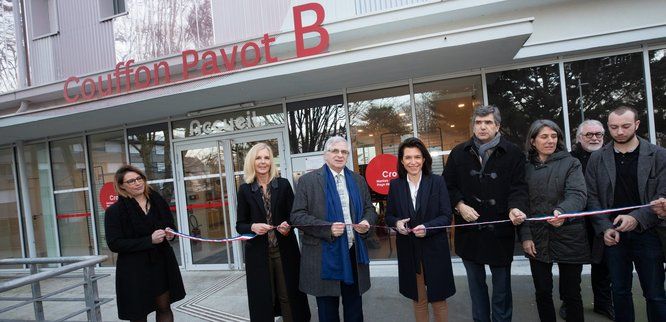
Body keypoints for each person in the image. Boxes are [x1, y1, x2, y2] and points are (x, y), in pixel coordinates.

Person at [443, 105, 529, 322]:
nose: (482, 127)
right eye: (478, 123)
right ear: (473, 125)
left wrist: (515, 207)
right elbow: (448, 186)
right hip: (469, 234)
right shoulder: (458, 152)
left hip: (500, 232)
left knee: (501, 289)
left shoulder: (513, 152)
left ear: (497, 126)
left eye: (488, 122)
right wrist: (459, 205)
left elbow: (519, 187)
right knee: (476, 288)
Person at [586, 106, 666, 322]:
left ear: (637, 125)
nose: (619, 131)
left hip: (649, 233)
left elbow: (662, 197)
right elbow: (592, 198)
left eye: (625, 126)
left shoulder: (659, 155)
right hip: (613, 235)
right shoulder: (597, 158)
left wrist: (636, 218)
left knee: (655, 294)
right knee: (619, 292)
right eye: (613, 127)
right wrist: (604, 227)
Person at [290, 136, 378, 322]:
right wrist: (327, 228)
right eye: (335, 151)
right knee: (327, 311)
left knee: (354, 308)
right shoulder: (308, 181)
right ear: (325, 154)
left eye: (344, 152)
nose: (340, 155)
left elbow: (370, 209)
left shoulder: (357, 180)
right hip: (323, 255)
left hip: (353, 253)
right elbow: (297, 216)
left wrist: (366, 223)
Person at [519, 120, 589, 322]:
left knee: (571, 294)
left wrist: (563, 211)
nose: (550, 140)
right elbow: (521, 204)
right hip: (537, 237)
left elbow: (578, 194)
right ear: (532, 141)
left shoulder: (571, 162)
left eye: (554, 136)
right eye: (544, 136)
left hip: (569, 234)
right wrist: (525, 236)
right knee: (542, 292)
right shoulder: (524, 168)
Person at [235, 143, 311, 322]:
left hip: (284, 250)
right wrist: (252, 227)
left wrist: (288, 226)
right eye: (258, 158)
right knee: (263, 298)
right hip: (258, 254)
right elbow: (240, 225)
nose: (263, 162)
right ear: (252, 162)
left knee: (288, 295)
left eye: (267, 157)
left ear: (271, 161)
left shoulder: (283, 185)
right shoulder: (245, 189)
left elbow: (295, 216)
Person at [385, 137, 456, 322]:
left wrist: (428, 227)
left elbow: (446, 215)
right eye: (408, 157)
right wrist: (397, 224)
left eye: (417, 157)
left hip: (435, 249)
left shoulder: (437, 181)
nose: (413, 162)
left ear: (424, 159)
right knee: (418, 299)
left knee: (439, 299)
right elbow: (389, 216)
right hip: (410, 251)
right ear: (401, 160)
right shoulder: (395, 185)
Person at [105, 165, 185, 322]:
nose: (137, 183)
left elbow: (170, 225)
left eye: (139, 178)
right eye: (131, 181)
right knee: (138, 315)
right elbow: (114, 244)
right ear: (121, 185)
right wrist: (149, 240)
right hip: (134, 269)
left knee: (164, 308)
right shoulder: (115, 211)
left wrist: (170, 234)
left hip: (161, 263)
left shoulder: (158, 201)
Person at [565, 120, 614, 320]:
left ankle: (603, 303)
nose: (594, 138)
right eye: (589, 135)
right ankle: (569, 304)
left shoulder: (611, 156)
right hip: (576, 220)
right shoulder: (568, 159)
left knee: (603, 264)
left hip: (603, 218)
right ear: (579, 138)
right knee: (571, 267)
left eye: (598, 134)